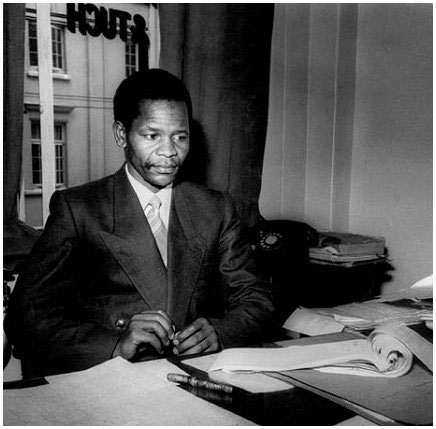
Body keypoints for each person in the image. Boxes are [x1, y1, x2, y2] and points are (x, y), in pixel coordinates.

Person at [4, 69, 276, 377]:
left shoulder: (216, 208)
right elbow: (25, 317)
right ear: (121, 134)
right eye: (152, 136)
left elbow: (256, 299)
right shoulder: (79, 209)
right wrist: (114, 345)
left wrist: (221, 332)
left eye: (180, 137)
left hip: (195, 378)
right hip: (110, 382)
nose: (169, 151)